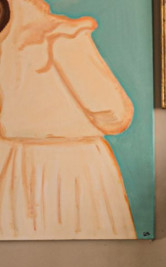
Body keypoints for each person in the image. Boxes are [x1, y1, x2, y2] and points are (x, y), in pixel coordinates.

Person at [0, 0, 136, 239]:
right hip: (73, 169)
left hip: (12, 172)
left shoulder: (6, 43)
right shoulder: (60, 37)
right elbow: (116, 116)